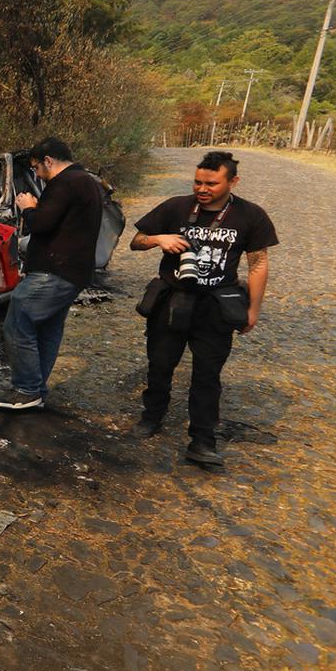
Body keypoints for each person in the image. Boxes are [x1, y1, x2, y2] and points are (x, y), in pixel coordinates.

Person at [129, 151, 276, 468]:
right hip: (172, 299)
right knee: (160, 363)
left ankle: (202, 439)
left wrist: (254, 308)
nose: (202, 188)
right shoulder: (175, 207)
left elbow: (259, 264)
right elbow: (136, 240)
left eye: (211, 182)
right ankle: (152, 416)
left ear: (232, 181)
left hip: (216, 304)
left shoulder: (251, 216)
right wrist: (159, 239)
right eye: (197, 181)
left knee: (208, 375)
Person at [0, 137, 103, 410]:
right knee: (48, 329)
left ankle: (26, 389)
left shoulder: (65, 183)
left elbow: (42, 224)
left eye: (35, 168)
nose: (36, 174)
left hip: (53, 271)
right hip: (73, 272)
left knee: (18, 321)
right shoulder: (85, 181)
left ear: (48, 161)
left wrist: (29, 207)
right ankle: (36, 391)